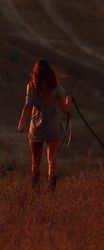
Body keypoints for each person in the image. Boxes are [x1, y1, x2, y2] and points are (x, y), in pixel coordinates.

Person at [17, 59, 72, 191]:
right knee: (52, 160)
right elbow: (65, 109)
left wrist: (21, 124)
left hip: (36, 129)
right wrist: (69, 101)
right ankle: (51, 190)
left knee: (35, 160)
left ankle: (35, 189)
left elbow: (27, 107)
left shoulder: (31, 87)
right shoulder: (56, 87)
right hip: (52, 128)